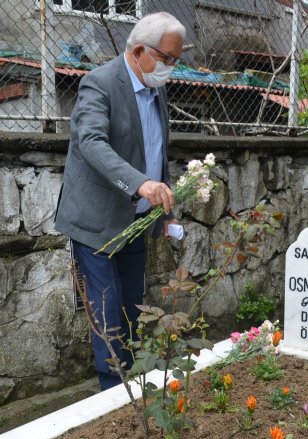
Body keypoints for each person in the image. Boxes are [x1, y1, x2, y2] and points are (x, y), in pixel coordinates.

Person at [54, 12, 186, 390]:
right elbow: (91, 143)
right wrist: (140, 184)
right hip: (96, 223)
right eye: (168, 58)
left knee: (131, 306)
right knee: (107, 308)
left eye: (177, 59)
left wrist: (165, 210)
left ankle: (133, 379)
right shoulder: (99, 84)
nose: (172, 68)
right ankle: (113, 389)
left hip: (136, 221)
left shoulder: (155, 88)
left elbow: (157, 153)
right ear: (140, 50)